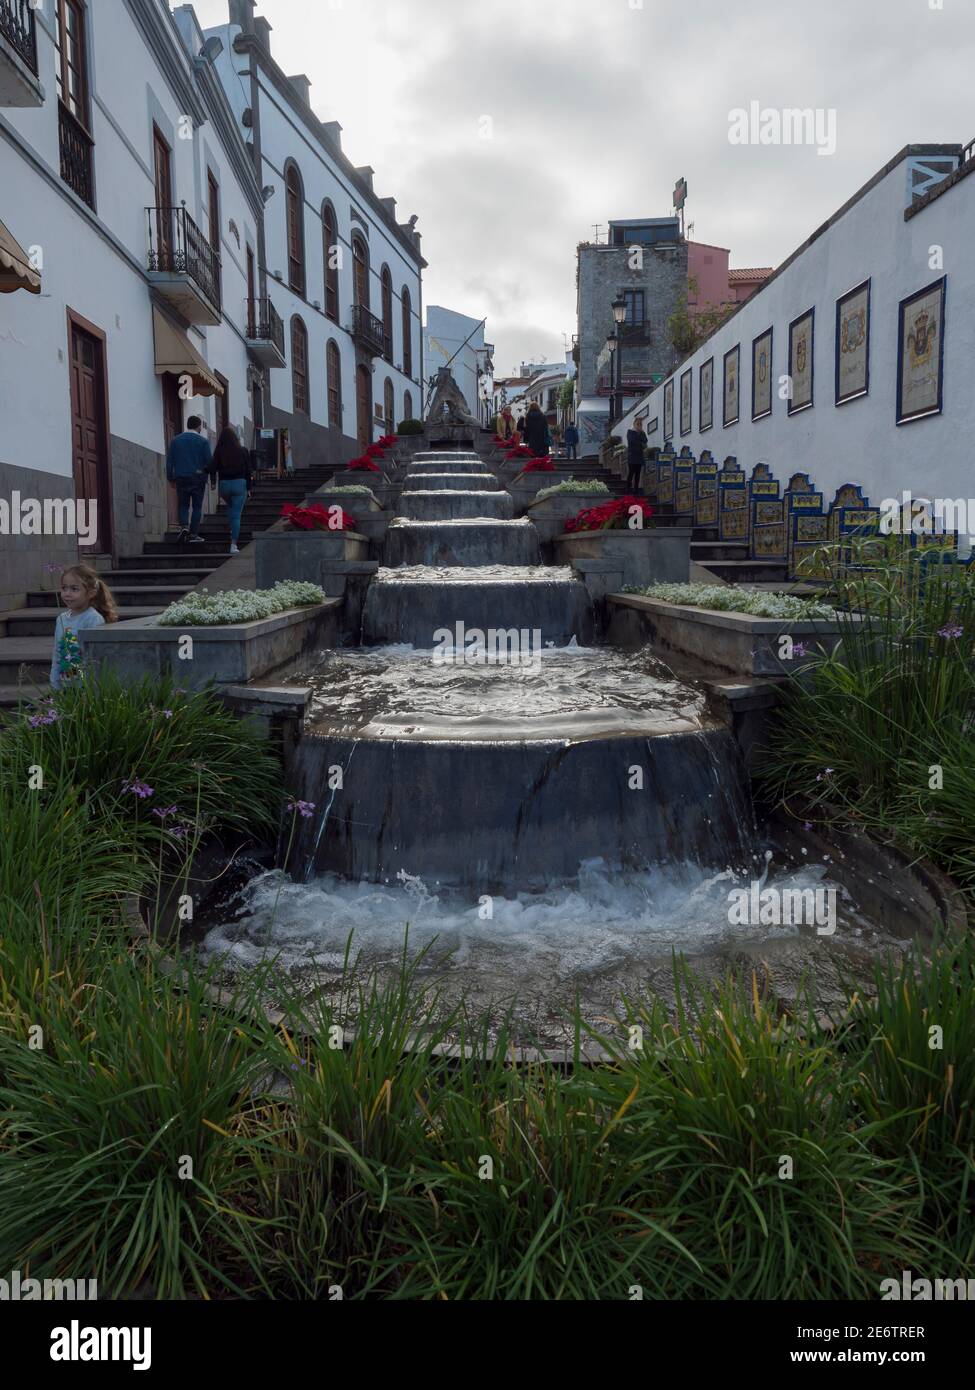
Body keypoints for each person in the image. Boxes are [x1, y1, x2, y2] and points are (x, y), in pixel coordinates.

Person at [50, 563, 118, 690]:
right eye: (64, 588)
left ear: (91, 593)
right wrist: (54, 684)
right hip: (65, 686)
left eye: (74, 589)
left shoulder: (93, 619)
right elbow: (57, 653)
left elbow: (95, 658)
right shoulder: (61, 619)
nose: (67, 593)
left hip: (86, 688)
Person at [166, 415, 212, 545]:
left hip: (181, 477)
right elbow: (209, 462)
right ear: (198, 426)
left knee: (183, 504)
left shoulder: (175, 440)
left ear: (187, 425)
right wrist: (212, 479)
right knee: (197, 506)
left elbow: (170, 461)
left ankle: (184, 527)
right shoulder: (203, 441)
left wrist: (171, 478)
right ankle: (193, 534)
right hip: (198, 477)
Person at [209, 425, 253, 555]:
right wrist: (249, 488)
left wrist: (213, 483)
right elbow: (248, 470)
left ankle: (233, 529)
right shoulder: (243, 451)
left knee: (232, 508)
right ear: (235, 438)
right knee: (236, 515)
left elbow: (212, 468)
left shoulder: (219, 451)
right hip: (240, 485)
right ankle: (233, 545)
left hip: (224, 486)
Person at [626, 418, 649, 494]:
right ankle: (628, 488)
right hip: (632, 456)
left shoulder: (642, 433)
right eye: (638, 424)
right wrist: (640, 443)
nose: (639, 425)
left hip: (639, 456)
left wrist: (641, 432)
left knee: (638, 474)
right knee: (631, 472)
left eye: (640, 424)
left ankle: (636, 489)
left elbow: (645, 441)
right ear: (634, 424)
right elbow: (632, 442)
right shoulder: (630, 432)